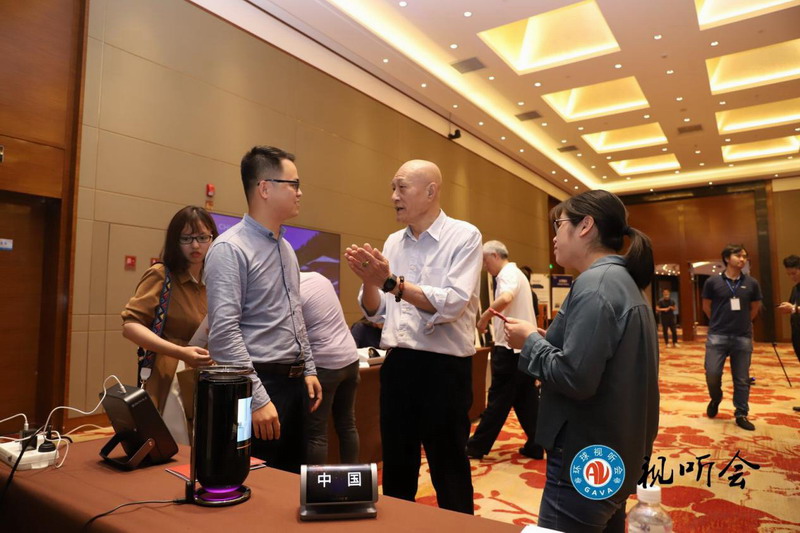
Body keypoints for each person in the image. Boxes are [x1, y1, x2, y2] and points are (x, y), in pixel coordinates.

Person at [504, 190, 660, 532]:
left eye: (559, 225)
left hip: (585, 450)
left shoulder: (595, 285)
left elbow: (576, 378)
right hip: (616, 445)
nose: (554, 236)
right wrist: (549, 340)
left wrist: (529, 342)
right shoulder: (622, 281)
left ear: (586, 226)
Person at [344, 159, 482, 515]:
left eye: (402, 187)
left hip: (445, 370)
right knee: (397, 464)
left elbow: (452, 303)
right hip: (399, 365)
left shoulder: (464, 236)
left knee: (449, 467)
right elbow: (375, 312)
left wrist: (391, 283)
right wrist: (370, 280)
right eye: (393, 188)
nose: (394, 196)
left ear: (430, 191)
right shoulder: (394, 242)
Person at [204, 146, 321, 473]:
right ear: (265, 188)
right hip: (254, 383)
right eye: (293, 184)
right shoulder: (230, 249)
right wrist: (257, 398)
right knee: (254, 480)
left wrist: (308, 368)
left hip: (292, 385)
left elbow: (294, 314)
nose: (300, 192)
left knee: (292, 480)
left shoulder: (286, 248)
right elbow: (223, 334)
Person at [121, 206, 218, 445]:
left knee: (205, 444)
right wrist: (180, 352)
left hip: (208, 372)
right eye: (186, 238)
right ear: (175, 241)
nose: (195, 246)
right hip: (170, 373)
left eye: (202, 238)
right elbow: (130, 325)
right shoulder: (162, 275)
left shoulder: (215, 278)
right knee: (176, 445)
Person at [467, 240, 542, 461]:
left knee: (498, 400)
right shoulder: (518, 274)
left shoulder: (507, 274)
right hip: (524, 348)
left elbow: (506, 297)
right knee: (526, 399)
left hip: (509, 349)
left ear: (495, 256)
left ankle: (475, 447)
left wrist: (484, 318)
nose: (484, 266)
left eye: (485, 260)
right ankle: (537, 444)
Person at [299, 271, 361, 464]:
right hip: (350, 359)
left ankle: (317, 483)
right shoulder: (319, 277)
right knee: (347, 425)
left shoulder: (291, 292)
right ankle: (352, 478)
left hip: (323, 365)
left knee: (316, 434)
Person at [702, 243, 762, 431]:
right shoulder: (712, 282)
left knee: (742, 378)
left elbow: (755, 308)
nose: (742, 259)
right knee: (712, 374)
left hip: (742, 337)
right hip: (717, 335)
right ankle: (716, 398)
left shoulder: (751, 283)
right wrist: (718, 322)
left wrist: (743, 323)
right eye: (738, 256)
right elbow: (706, 306)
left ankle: (741, 413)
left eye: (744, 256)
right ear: (727, 258)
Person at [776, 254, 800, 412]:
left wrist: (793, 308)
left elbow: (795, 308)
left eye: (794, 273)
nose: (792, 277)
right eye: (789, 274)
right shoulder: (796, 288)